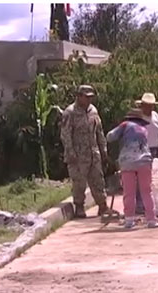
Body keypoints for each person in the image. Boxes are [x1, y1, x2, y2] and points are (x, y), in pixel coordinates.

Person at [60, 85, 115, 218]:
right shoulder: (70, 112)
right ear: (78, 96)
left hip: (93, 152)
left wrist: (104, 151)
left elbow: (99, 132)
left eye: (91, 97)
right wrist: (71, 153)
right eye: (86, 97)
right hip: (78, 155)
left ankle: (102, 206)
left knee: (98, 180)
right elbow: (65, 135)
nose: (89, 100)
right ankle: (79, 207)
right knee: (79, 182)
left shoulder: (93, 111)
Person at [106, 108, 158, 229]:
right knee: (147, 191)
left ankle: (129, 220)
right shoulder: (143, 128)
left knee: (129, 192)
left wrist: (119, 135)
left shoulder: (125, 125)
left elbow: (110, 136)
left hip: (128, 162)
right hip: (145, 161)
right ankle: (152, 219)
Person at [133, 93, 158, 215]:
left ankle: (150, 203)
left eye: (151, 106)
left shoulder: (155, 116)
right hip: (140, 149)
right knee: (140, 178)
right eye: (147, 106)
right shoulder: (137, 117)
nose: (149, 108)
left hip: (153, 149)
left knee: (151, 179)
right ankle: (139, 204)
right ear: (142, 106)